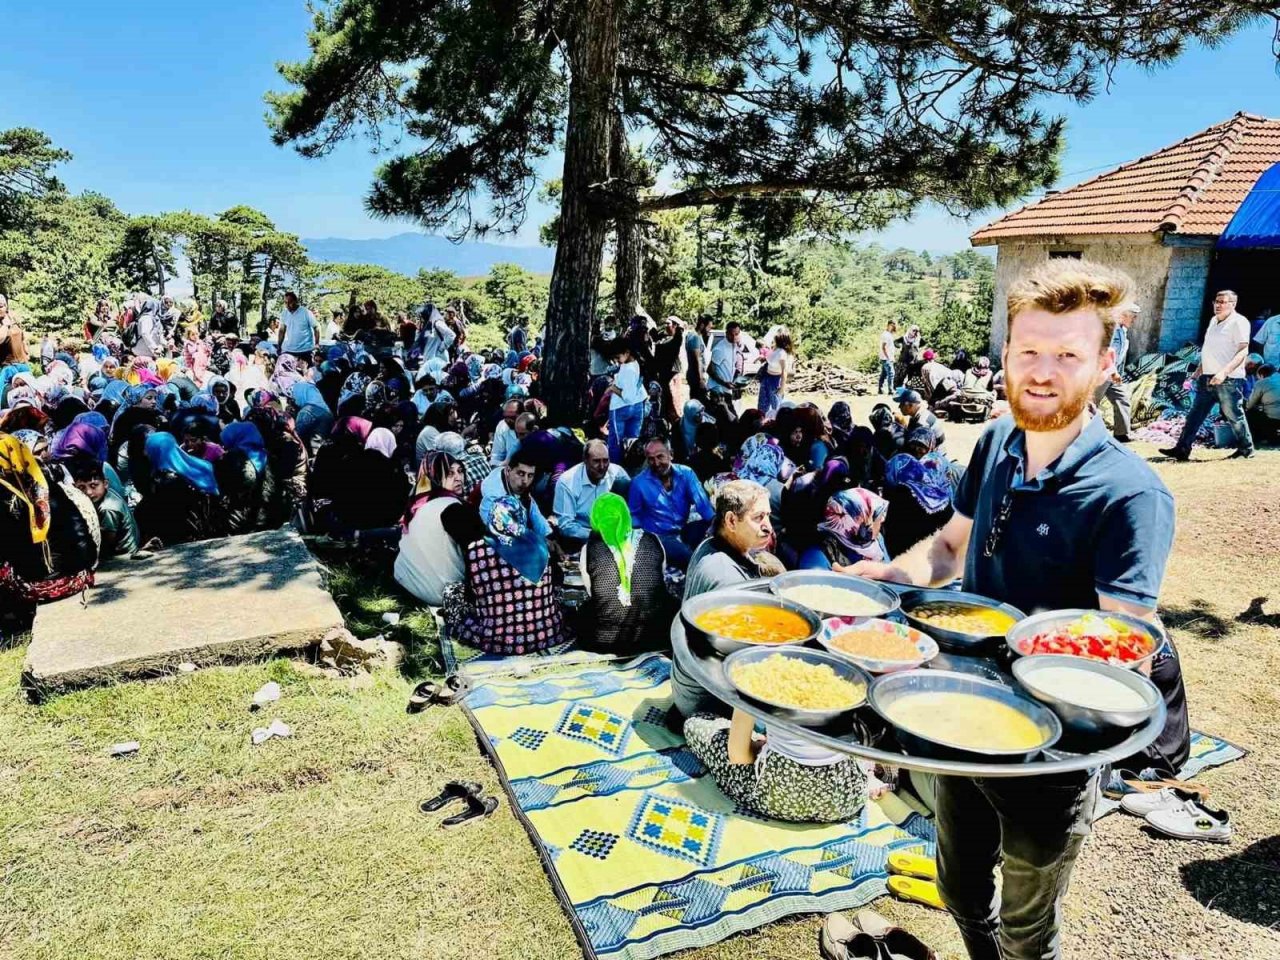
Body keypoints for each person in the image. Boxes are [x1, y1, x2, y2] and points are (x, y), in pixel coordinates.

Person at [851, 258, 1176, 960]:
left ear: (1104, 362)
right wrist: (886, 575)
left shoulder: (1130, 495)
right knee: (960, 889)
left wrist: (1060, 660)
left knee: (1031, 931)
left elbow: (1129, 644)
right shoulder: (996, 442)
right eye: (1029, 350)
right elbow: (948, 547)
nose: (1043, 371)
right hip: (955, 713)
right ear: (1006, 355)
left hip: (1050, 758)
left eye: (1067, 354)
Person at [669, 479, 779, 718]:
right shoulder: (728, 580)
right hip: (703, 703)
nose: (768, 526)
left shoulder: (709, 544)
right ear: (731, 521)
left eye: (768, 516)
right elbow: (742, 665)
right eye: (758, 518)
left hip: (687, 685)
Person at [445, 494, 570, 656]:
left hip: (499, 638)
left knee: (452, 593)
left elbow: (474, 594)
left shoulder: (477, 550)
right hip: (545, 633)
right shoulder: (540, 544)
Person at [1160, 289, 1255, 461]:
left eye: (1222, 302)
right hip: (1207, 377)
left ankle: (1246, 450)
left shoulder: (1239, 322)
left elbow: (1243, 351)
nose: (1218, 305)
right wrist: (1196, 374)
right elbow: (1209, 352)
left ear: (1233, 304)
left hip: (1228, 379)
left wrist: (1223, 372)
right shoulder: (1213, 321)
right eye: (1216, 301)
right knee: (1194, 416)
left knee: (1234, 415)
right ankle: (1182, 449)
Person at [576, 493, 673, 653]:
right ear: (625, 514)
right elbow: (660, 578)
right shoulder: (653, 539)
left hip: (605, 642)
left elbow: (592, 592)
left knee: (584, 611)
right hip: (655, 637)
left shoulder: (589, 549)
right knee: (668, 601)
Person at [395, 451, 487, 606]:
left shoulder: (419, 503)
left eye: (460, 471)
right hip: (440, 594)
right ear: (434, 475)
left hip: (405, 579)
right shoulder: (453, 509)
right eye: (450, 473)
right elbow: (481, 555)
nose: (458, 478)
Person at [627, 436, 714, 570]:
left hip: (682, 530)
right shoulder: (638, 483)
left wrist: (715, 524)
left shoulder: (686, 474)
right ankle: (701, 574)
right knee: (687, 557)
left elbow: (703, 505)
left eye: (660, 457)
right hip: (658, 538)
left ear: (671, 454)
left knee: (713, 534)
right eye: (651, 459)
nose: (656, 463)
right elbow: (634, 518)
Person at [552, 439, 628, 550]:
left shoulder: (618, 474)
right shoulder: (567, 481)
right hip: (581, 540)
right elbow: (566, 526)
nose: (602, 466)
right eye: (596, 461)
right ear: (585, 461)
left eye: (606, 461)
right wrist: (599, 536)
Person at [65, 456, 139, 560]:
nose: (89, 492)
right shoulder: (104, 495)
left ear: (105, 484)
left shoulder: (108, 508)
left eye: (94, 485)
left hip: (122, 554)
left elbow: (107, 541)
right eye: (82, 487)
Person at [1093, 301, 1138, 442]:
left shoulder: (1123, 331)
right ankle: (1081, 433)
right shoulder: (1112, 330)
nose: (1135, 320)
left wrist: (1118, 372)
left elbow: (1120, 356)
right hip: (1104, 373)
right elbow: (1107, 353)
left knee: (1122, 399)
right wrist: (1113, 372)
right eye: (1133, 316)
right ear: (1123, 315)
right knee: (1092, 404)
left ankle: (1121, 434)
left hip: (1114, 375)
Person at [606, 343, 646, 462]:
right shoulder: (634, 363)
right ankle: (632, 464)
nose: (617, 361)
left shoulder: (628, 369)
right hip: (638, 405)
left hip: (620, 407)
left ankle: (615, 468)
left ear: (627, 353)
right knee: (632, 441)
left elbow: (628, 397)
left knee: (616, 443)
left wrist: (614, 388)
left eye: (618, 357)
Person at [705, 321, 741, 429]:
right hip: (718, 391)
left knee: (727, 423)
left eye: (737, 334)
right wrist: (724, 383)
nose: (734, 337)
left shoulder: (734, 346)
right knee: (730, 421)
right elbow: (709, 370)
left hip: (727, 390)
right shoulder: (720, 349)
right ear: (726, 333)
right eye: (732, 334)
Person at [758, 328, 795, 418]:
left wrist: (782, 388)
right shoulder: (775, 349)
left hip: (775, 380)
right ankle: (762, 424)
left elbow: (784, 371)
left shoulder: (782, 353)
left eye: (777, 335)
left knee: (776, 408)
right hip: (767, 378)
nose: (774, 336)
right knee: (762, 406)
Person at [897, 388, 946, 454]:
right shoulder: (916, 415)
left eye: (902, 404)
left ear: (910, 405)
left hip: (935, 456)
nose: (899, 407)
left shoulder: (922, 423)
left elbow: (919, 452)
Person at [276, 291, 320, 362]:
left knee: (306, 372)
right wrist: (279, 346)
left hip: (306, 350)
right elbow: (282, 331)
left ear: (295, 301)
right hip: (289, 350)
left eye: (290, 302)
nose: (287, 305)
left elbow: (316, 327)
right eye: (285, 303)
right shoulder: (284, 313)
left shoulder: (306, 312)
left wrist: (317, 344)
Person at [1245, 362, 1280, 445]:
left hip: (1274, 418)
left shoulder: (1261, 383)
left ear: (1261, 375)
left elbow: (1249, 405)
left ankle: (1257, 438)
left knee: (1249, 413)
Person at [685, 315, 712, 401]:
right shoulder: (694, 337)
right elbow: (697, 360)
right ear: (702, 325)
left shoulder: (697, 336)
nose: (709, 330)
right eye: (708, 327)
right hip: (695, 377)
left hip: (696, 375)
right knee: (698, 402)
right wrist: (700, 380)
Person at [488, 399, 522, 466]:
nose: (508, 421)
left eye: (512, 417)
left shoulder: (530, 428)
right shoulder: (502, 426)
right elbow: (497, 456)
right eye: (506, 417)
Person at [878, 320, 897, 394]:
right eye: (892, 325)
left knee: (884, 374)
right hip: (886, 358)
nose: (893, 327)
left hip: (886, 357)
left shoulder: (888, 334)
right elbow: (883, 347)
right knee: (891, 373)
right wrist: (888, 357)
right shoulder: (886, 335)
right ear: (889, 325)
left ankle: (880, 389)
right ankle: (890, 390)